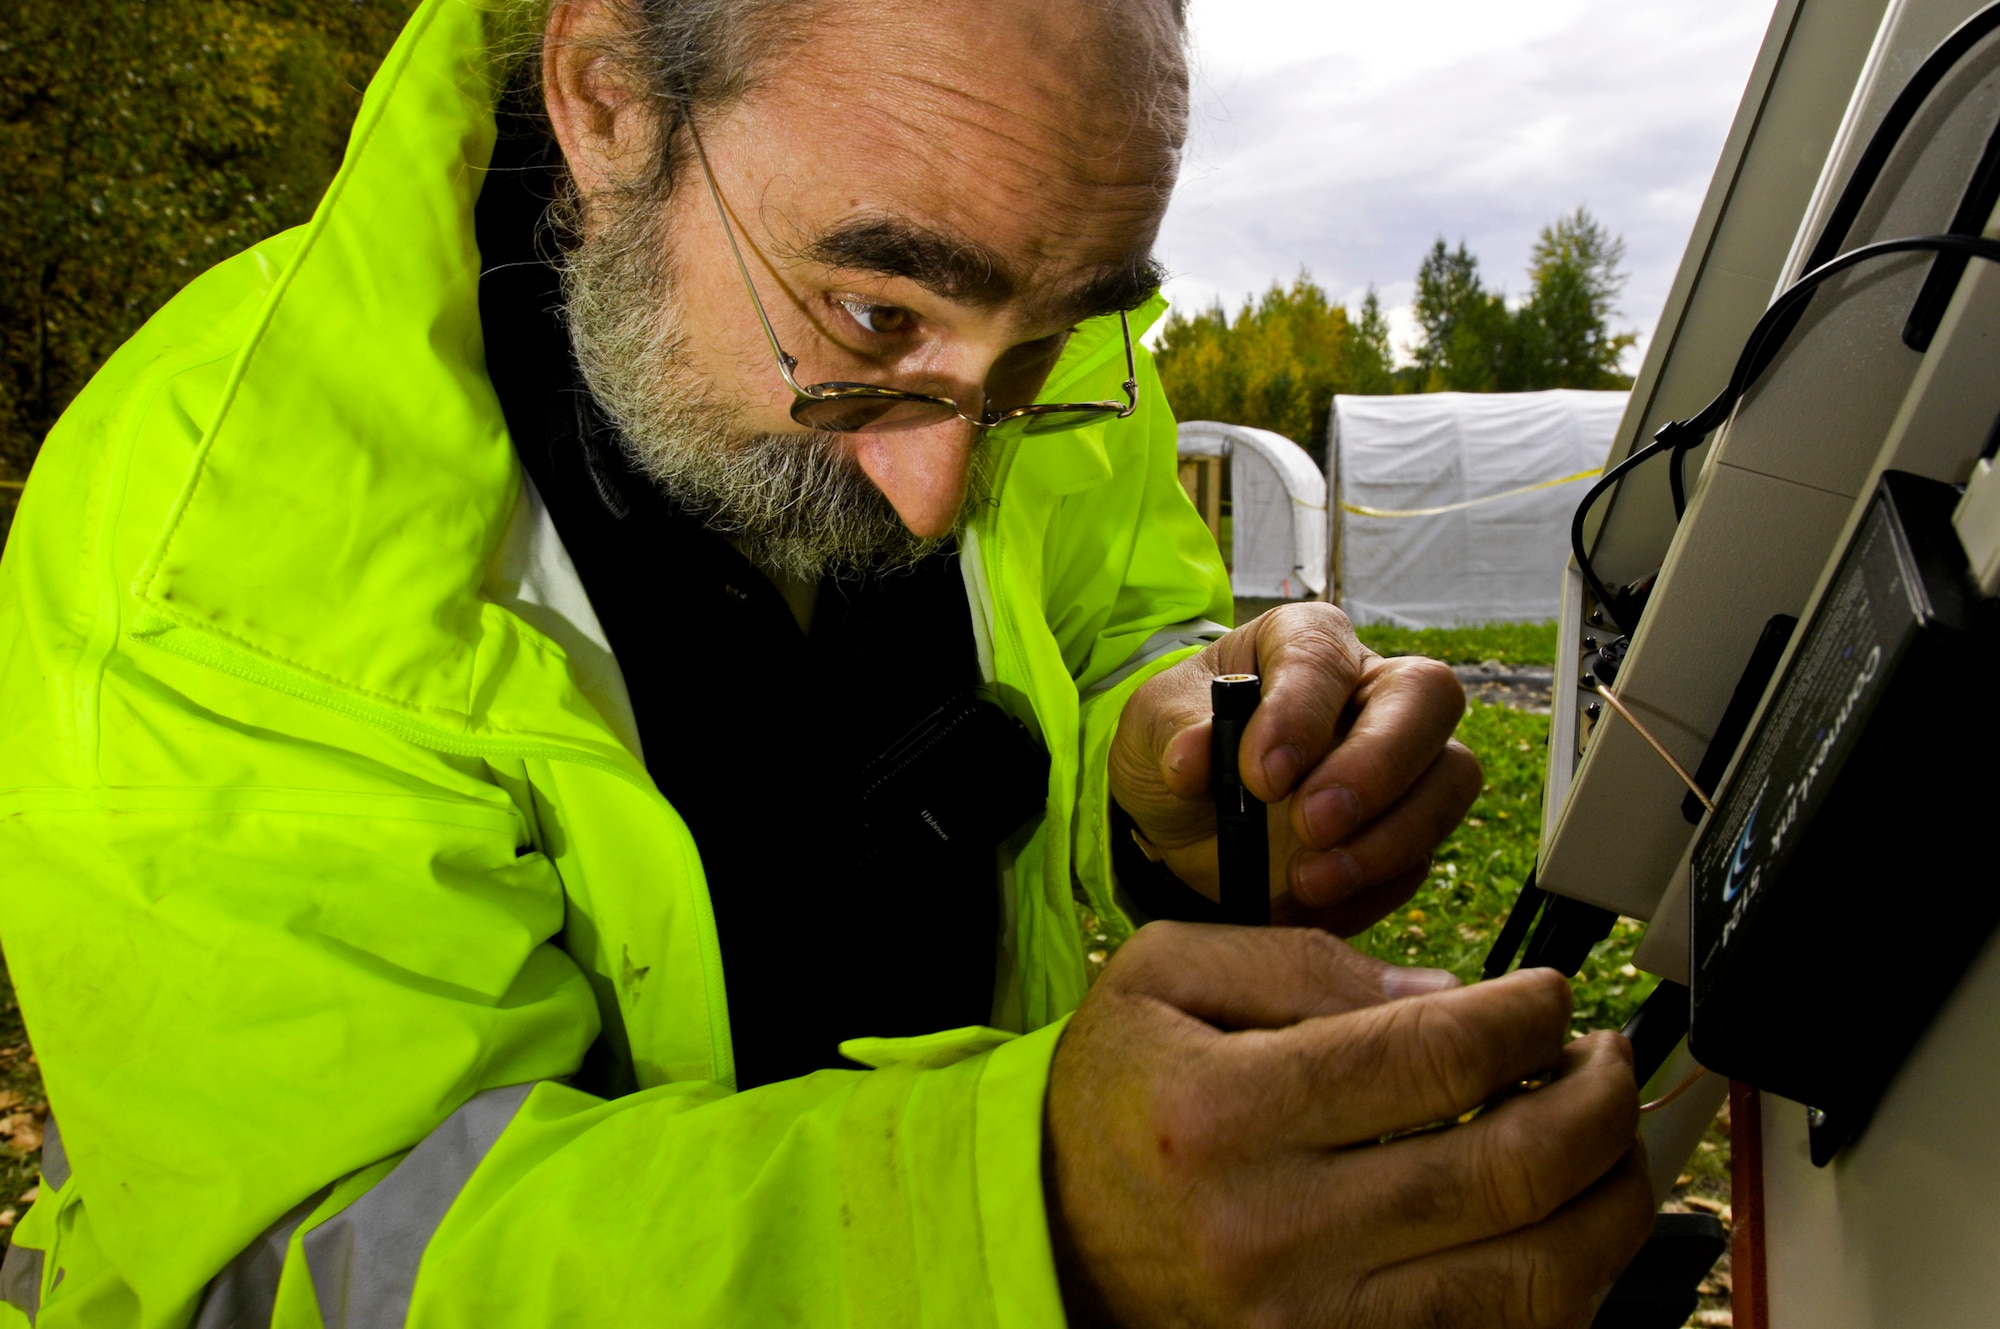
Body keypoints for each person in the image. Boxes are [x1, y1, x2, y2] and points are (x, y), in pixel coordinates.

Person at [0, 0, 1653, 1324]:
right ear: (606, 102)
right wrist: (1019, 1227)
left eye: (1053, 343)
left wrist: (1178, 760)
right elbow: (304, 1261)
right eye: (872, 322)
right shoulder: (208, 535)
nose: (942, 488)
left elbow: (1115, 619)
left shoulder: (1005, 279)